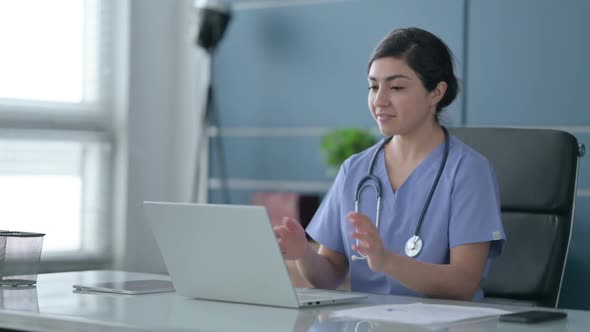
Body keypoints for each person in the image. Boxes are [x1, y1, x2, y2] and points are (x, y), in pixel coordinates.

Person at [273, 27, 505, 301]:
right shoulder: (355, 170)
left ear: (436, 93)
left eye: (396, 87)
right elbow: (329, 275)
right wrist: (303, 254)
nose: (379, 100)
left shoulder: (468, 171)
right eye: (373, 86)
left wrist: (386, 261)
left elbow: (464, 283)